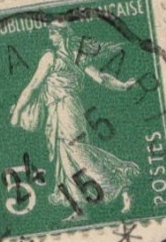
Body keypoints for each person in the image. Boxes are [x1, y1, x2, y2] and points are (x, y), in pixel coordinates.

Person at [9, 20, 142, 216]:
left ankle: (120, 183)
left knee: (76, 151)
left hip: (66, 108)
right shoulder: (75, 56)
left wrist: (17, 113)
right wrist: (122, 85)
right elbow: (101, 78)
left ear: (61, 34)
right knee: (66, 157)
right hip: (60, 110)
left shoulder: (50, 57)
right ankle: (79, 207)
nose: (50, 37)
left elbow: (33, 86)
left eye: (52, 33)